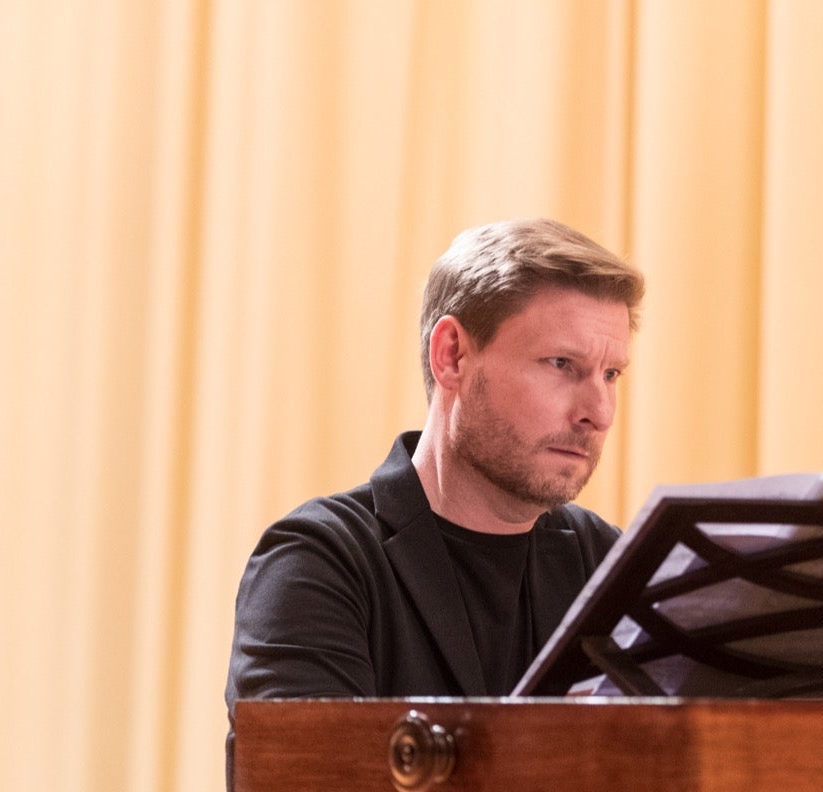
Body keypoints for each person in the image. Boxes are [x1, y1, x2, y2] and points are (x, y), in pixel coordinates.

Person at [225, 218, 645, 731]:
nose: (598, 412)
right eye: (561, 363)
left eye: (611, 374)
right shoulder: (317, 565)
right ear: (452, 356)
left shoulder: (607, 567)